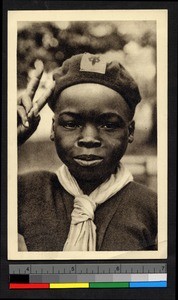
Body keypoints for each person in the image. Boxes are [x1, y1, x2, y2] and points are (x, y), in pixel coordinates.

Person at [17, 53, 157, 251]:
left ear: (130, 131)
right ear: (52, 129)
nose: (89, 139)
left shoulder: (152, 207)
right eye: (71, 123)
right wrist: (9, 139)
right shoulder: (28, 192)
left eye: (109, 125)